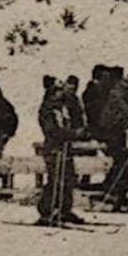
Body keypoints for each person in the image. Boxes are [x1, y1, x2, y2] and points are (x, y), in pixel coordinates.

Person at [37, 76, 83, 226]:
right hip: (53, 148)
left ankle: (65, 210)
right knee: (55, 179)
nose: (60, 94)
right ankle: (46, 211)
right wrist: (71, 134)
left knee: (68, 178)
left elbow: (72, 121)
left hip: (66, 147)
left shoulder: (63, 107)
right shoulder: (47, 109)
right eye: (57, 92)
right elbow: (51, 130)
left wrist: (77, 132)